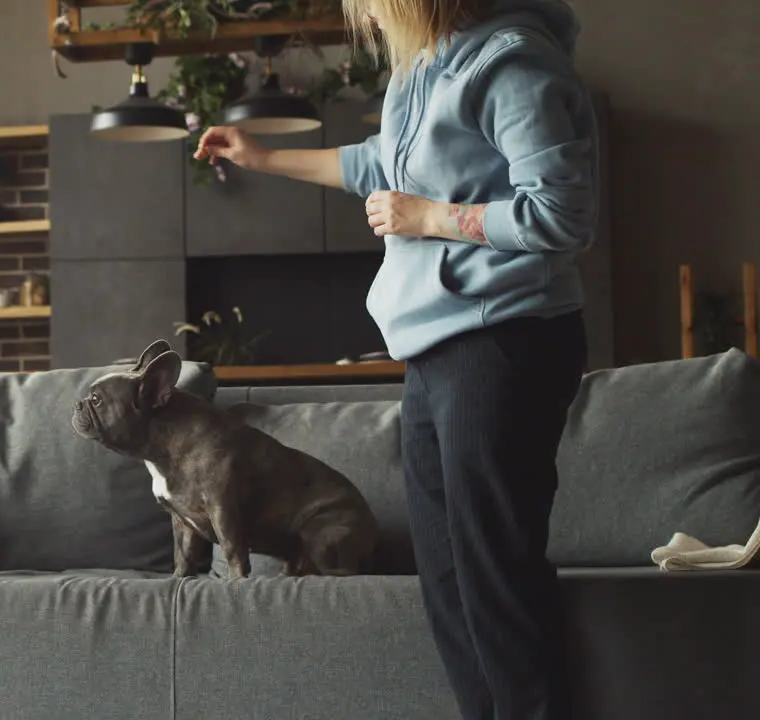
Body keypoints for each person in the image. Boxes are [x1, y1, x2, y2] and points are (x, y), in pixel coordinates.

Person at [193, 1, 596, 718]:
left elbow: (562, 214)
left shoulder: (514, 65)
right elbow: (383, 162)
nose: (368, 13)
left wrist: (428, 218)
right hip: (435, 349)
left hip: (505, 338)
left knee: (492, 574)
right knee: (444, 577)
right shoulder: (422, 69)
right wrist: (260, 156)